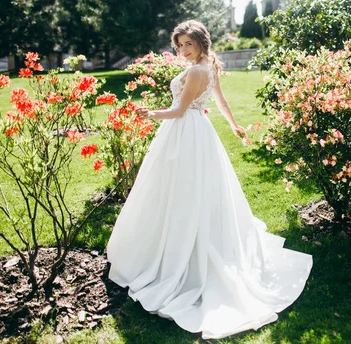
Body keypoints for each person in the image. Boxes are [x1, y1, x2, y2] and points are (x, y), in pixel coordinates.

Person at [106, 20, 313, 339]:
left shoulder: (197, 71)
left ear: (201, 42)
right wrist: (233, 125)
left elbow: (178, 111)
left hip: (185, 132)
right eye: (179, 45)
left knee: (180, 190)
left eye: (188, 44)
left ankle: (181, 252)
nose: (183, 50)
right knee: (194, 190)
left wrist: (149, 114)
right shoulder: (211, 66)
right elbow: (221, 102)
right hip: (199, 133)